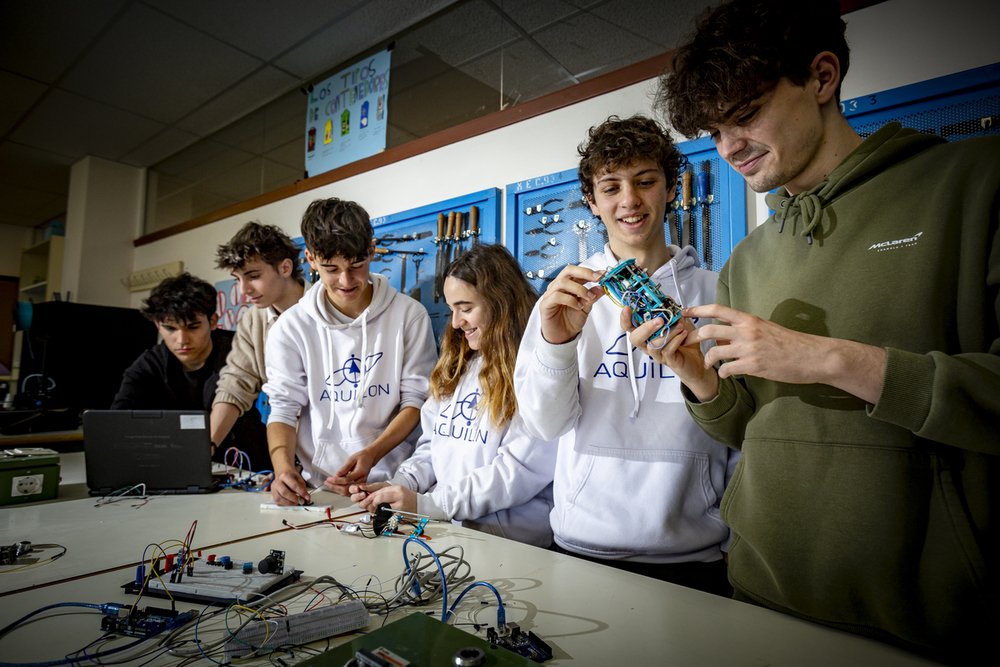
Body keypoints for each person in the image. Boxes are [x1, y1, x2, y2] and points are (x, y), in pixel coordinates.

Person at [649, 0, 998, 654]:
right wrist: (698, 378)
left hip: (930, 625)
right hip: (761, 599)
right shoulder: (747, 260)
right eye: (714, 133)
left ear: (821, 77)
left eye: (745, 115)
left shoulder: (975, 183)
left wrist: (829, 358)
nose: (729, 149)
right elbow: (745, 424)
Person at [513, 115, 739, 595]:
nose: (630, 201)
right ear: (592, 202)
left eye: (645, 181)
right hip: (581, 548)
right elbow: (543, 427)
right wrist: (558, 345)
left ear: (671, 189)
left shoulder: (716, 293)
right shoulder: (564, 298)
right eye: (611, 187)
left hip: (694, 557)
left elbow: (743, 430)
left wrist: (739, 535)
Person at [349, 244, 557, 547]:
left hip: (514, 545)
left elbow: (515, 473)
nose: (457, 323)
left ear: (501, 302)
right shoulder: (460, 367)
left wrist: (430, 505)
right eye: (452, 310)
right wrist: (397, 487)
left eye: (466, 308)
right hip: (455, 533)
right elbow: (431, 448)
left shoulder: (537, 373)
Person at [262, 197, 437, 505]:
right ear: (311, 258)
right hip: (318, 486)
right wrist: (283, 470)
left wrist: (372, 452)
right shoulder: (290, 327)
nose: (345, 281)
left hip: (392, 482)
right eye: (331, 269)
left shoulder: (409, 315)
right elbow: (283, 409)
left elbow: (415, 402)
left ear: (371, 250)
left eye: (356, 266)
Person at [111, 272, 269, 468]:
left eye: (193, 327)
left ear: (212, 322)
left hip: (247, 464)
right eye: (170, 329)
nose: (182, 340)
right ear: (157, 325)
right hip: (176, 463)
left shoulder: (240, 350)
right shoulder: (148, 365)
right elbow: (116, 424)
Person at [210, 222, 305, 450]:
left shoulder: (329, 309)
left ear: (285, 268)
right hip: (289, 450)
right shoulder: (252, 320)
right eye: (238, 279)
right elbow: (236, 383)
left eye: (253, 276)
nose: (243, 289)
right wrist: (206, 449)